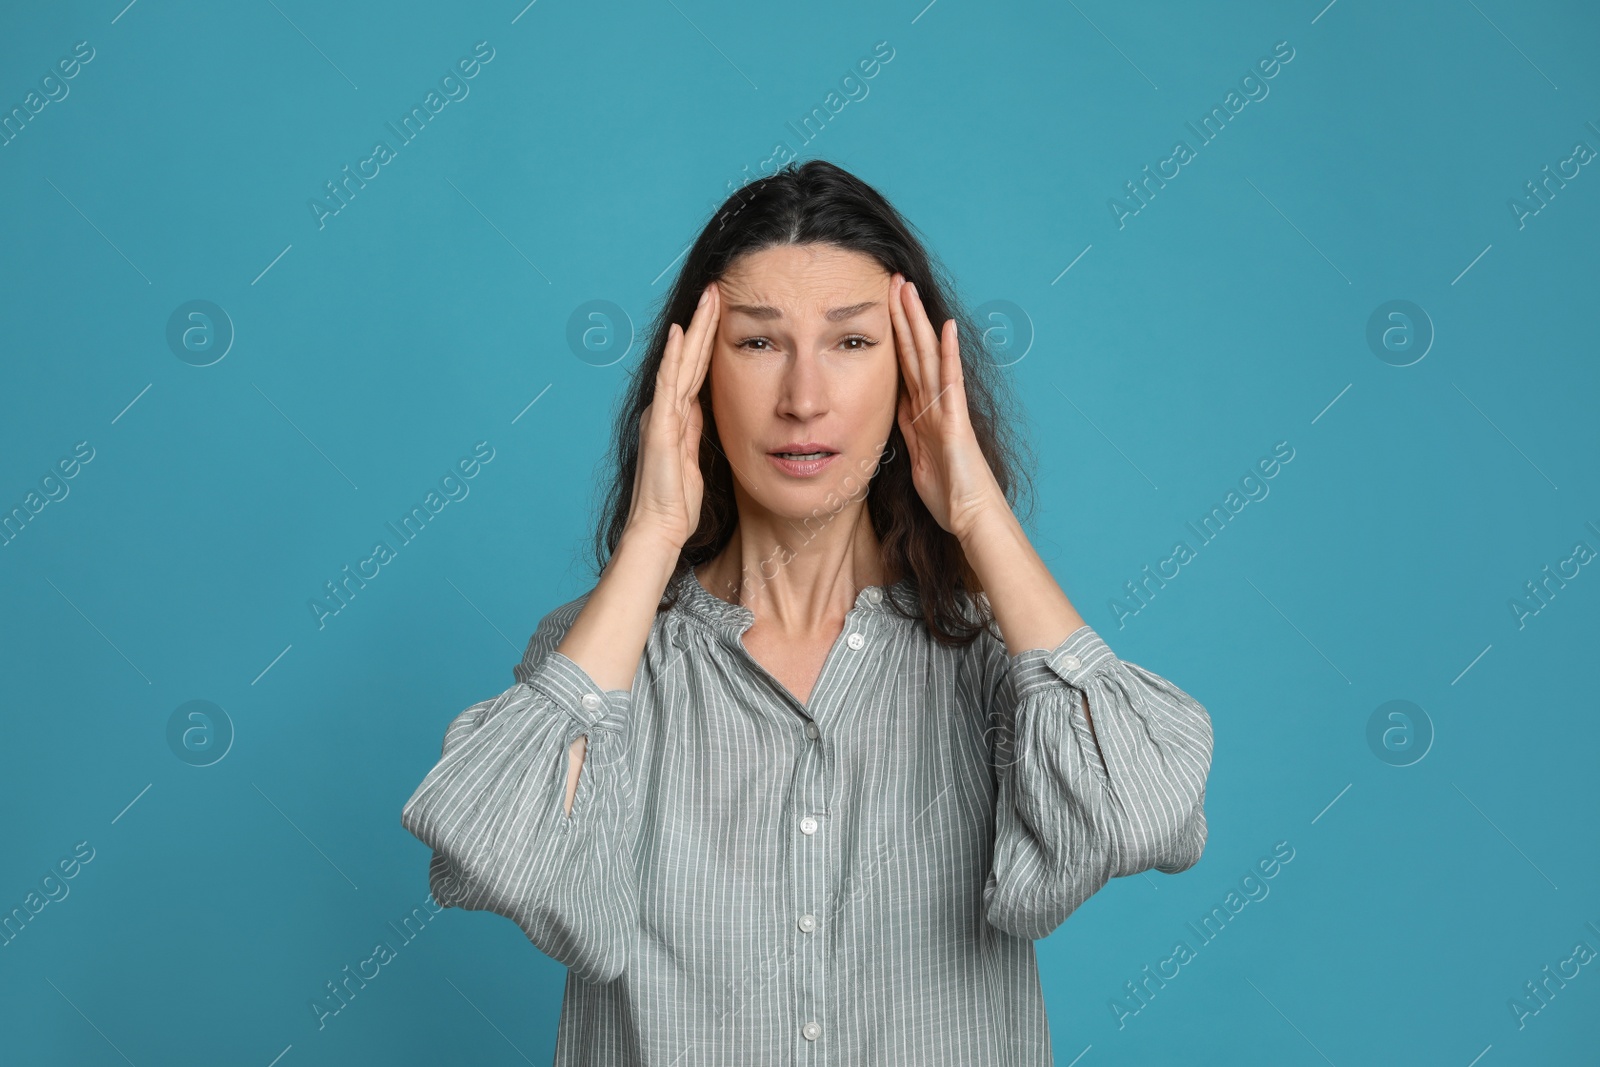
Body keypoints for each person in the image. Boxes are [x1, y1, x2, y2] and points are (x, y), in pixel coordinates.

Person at [400, 159, 1213, 1064]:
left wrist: (980, 516)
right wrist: (655, 532)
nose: (803, 398)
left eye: (852, 343)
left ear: (911, 376)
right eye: (757, 343)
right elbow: (485, 850)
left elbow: (1144, 811)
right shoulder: (603, 657)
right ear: (695, 374)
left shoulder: (991, 657)